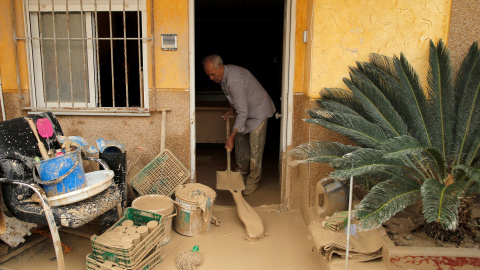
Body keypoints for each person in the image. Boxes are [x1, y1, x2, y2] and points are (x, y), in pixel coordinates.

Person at [203, 54, 276, 196]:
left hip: (259, 111)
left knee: (255, 150)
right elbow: (235, 100)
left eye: (212, 74)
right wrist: (231, 108)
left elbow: (242, 112)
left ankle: (253, 180)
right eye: (208, 75)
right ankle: (242, 173)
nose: (210, 78)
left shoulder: (234, 80)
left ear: (221, 67)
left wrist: (230, 138)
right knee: (241, 148)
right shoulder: (222, 77)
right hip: (246, 112)